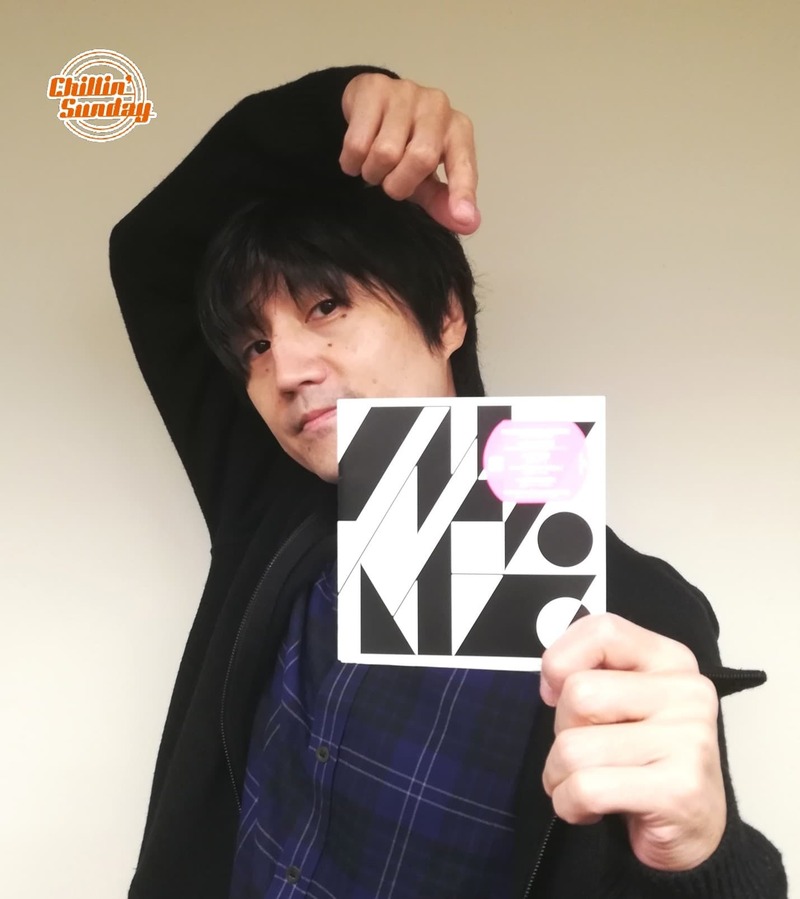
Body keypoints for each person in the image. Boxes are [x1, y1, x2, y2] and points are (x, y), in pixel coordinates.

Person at [109, 65, 786, 899]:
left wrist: (700, 851)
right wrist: (336, 107)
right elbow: (148, 252)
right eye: (255, 345)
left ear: (447, 315)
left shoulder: (637, 611)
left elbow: (689, 856)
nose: (286, 368)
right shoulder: (269, 506)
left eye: (326, 307)